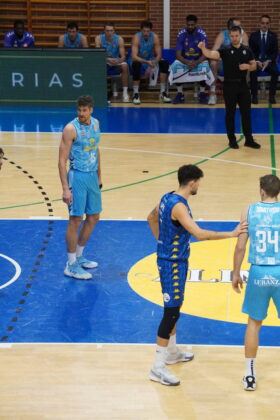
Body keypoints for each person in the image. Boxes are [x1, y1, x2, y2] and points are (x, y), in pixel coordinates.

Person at [147, 164, 247, 386]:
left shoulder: (166, 197)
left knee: (175, 309)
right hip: (171, 264)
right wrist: (231, 234)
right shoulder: (179, 207)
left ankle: (171, 353)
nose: (199, 186)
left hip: (173, 260)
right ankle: (157, 367)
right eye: (198, 182)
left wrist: (161, 243)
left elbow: (150, 218)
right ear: (192, 182)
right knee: (170, 313)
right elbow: (200, 234)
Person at [232, 174, 280, 391]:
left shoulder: (248, 211)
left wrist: (236, 272)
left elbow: (240, 247)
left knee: (254, 323)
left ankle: (249, 375)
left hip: (259, 272)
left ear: (261, 190)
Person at [58, 95, 101, 280]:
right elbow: (61, 161)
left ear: (91, 110)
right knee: (76, 219)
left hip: (92, 176)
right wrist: (65, 188)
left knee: (93, 217)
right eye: (79, 110)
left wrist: (100, 175)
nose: (81, 113)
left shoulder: (96, 124)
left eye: (85, 110)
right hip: (77, 177)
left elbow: (96, 150)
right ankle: (70, 264)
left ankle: (80, 255)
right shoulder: (70, 129)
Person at [198, 27, 261, 149]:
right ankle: (232, 140)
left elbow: (254, 65)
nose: (234, 38)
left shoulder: (247, 50)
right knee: (230, 114)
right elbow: (211, 54)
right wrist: (203, 48)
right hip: (229, 86)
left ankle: (249, 140)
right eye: (232, 36)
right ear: (229, 36)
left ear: (240, 36)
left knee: (246, 114)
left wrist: (248, 66)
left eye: (236, 36)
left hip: (243, 86)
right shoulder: (225, 50)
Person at [171, 14, 210, 105]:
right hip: (185, 60)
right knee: (176, 66)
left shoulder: (201, 34)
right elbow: (178, 55)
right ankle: (180, 94)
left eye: (192, 25)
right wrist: (187, 62)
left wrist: (196, 62)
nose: (190, 27)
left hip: (198, 59)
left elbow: (205, 53)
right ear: (186, 24)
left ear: (196, 24)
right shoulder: (181, 34)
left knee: (204, 67)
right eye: (188, 25)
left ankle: (202, 94)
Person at [209, 17, 249, 105]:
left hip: (238, 63)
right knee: (213, 63)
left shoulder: (243, 35)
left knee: (247, 64)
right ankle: (212, 93)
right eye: (238, 26)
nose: (240, 28)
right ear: (230, 27)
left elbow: (247, 53)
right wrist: (223, 58)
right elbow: (214, 51)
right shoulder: (223, 35)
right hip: (225, 63)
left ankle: (243, 94)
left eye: (240, 26)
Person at [130, 20, 171, 105]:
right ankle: (136, 93)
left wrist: (153, 62)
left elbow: (159, 55)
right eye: (144, 31)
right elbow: (134, 56)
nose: (146, 33)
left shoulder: (154, 37)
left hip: (150, 59)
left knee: (164, 63)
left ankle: (163, 92)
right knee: (136, 65)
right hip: (138, 59)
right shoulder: (137, 37)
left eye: (148, 31)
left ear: (151, 31)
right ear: (141, 30)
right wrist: (147, 62)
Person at [95, 22, 129, 103]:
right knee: (97, 66)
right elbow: (97, 54)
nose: (109, 33)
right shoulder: (98, 38)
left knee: (125, 66)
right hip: (104, 60)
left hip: (116, 60)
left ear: (114, 31)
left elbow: (123, 56)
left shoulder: (119, 39)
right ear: (104, 31)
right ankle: (101, 93)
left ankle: (125, 92)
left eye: (111, 31)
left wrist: (118, 60)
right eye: (107, 31)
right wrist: (107, 59)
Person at [249, 15, 278, 104]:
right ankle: (254, 96)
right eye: (262, 23)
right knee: (252, 71)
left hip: (268, 62)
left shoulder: (273, 36)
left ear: (269, 24)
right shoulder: (253, 36)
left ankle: (272, 96)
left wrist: (268, 61)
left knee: (275, 71)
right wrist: (257, 61)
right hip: (257, 61)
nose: (264, 25)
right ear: (259, 24)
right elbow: (251, 51)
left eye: (267, 23)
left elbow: (275, 52)